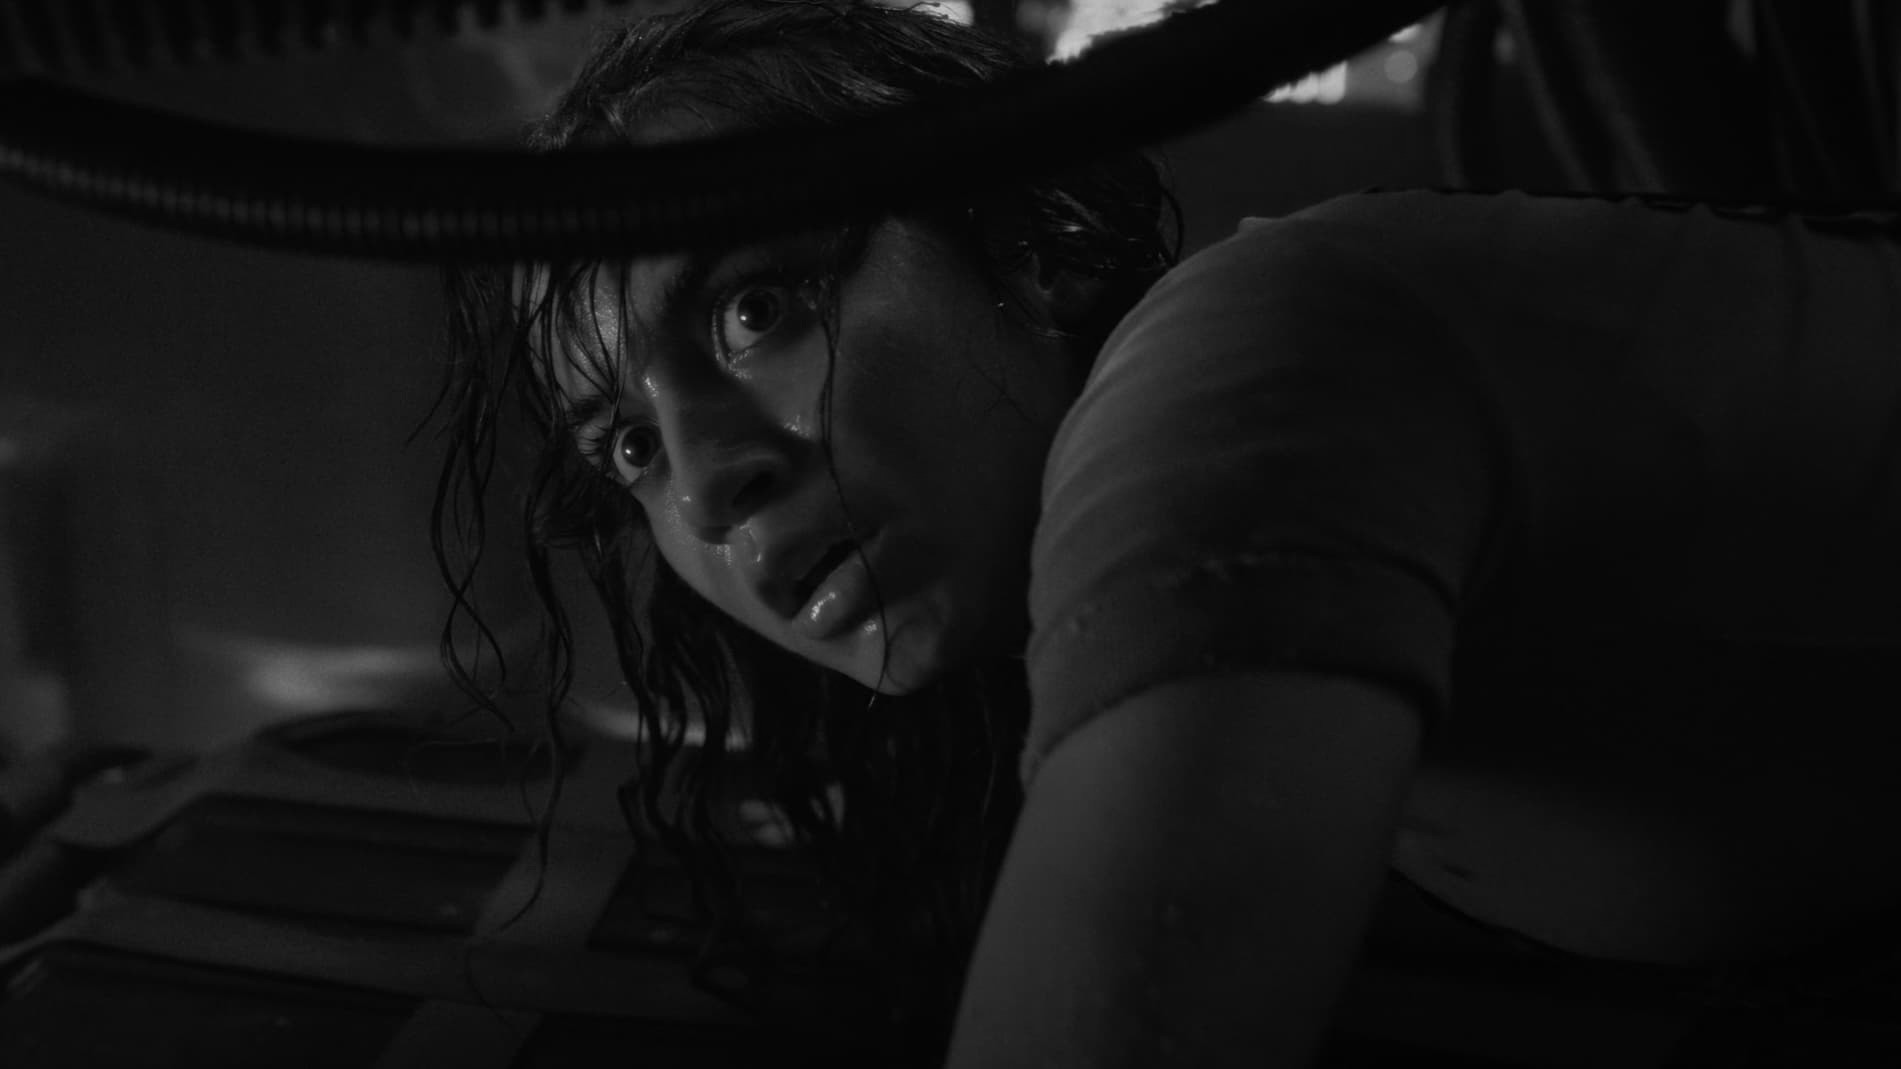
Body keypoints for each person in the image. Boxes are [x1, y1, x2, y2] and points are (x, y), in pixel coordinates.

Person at [435, 1, 1901, 1065]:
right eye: (626, 443)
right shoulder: (1141, 597)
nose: (701, 489)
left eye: (756, 309)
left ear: (1027, 245)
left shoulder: (1236, 378)